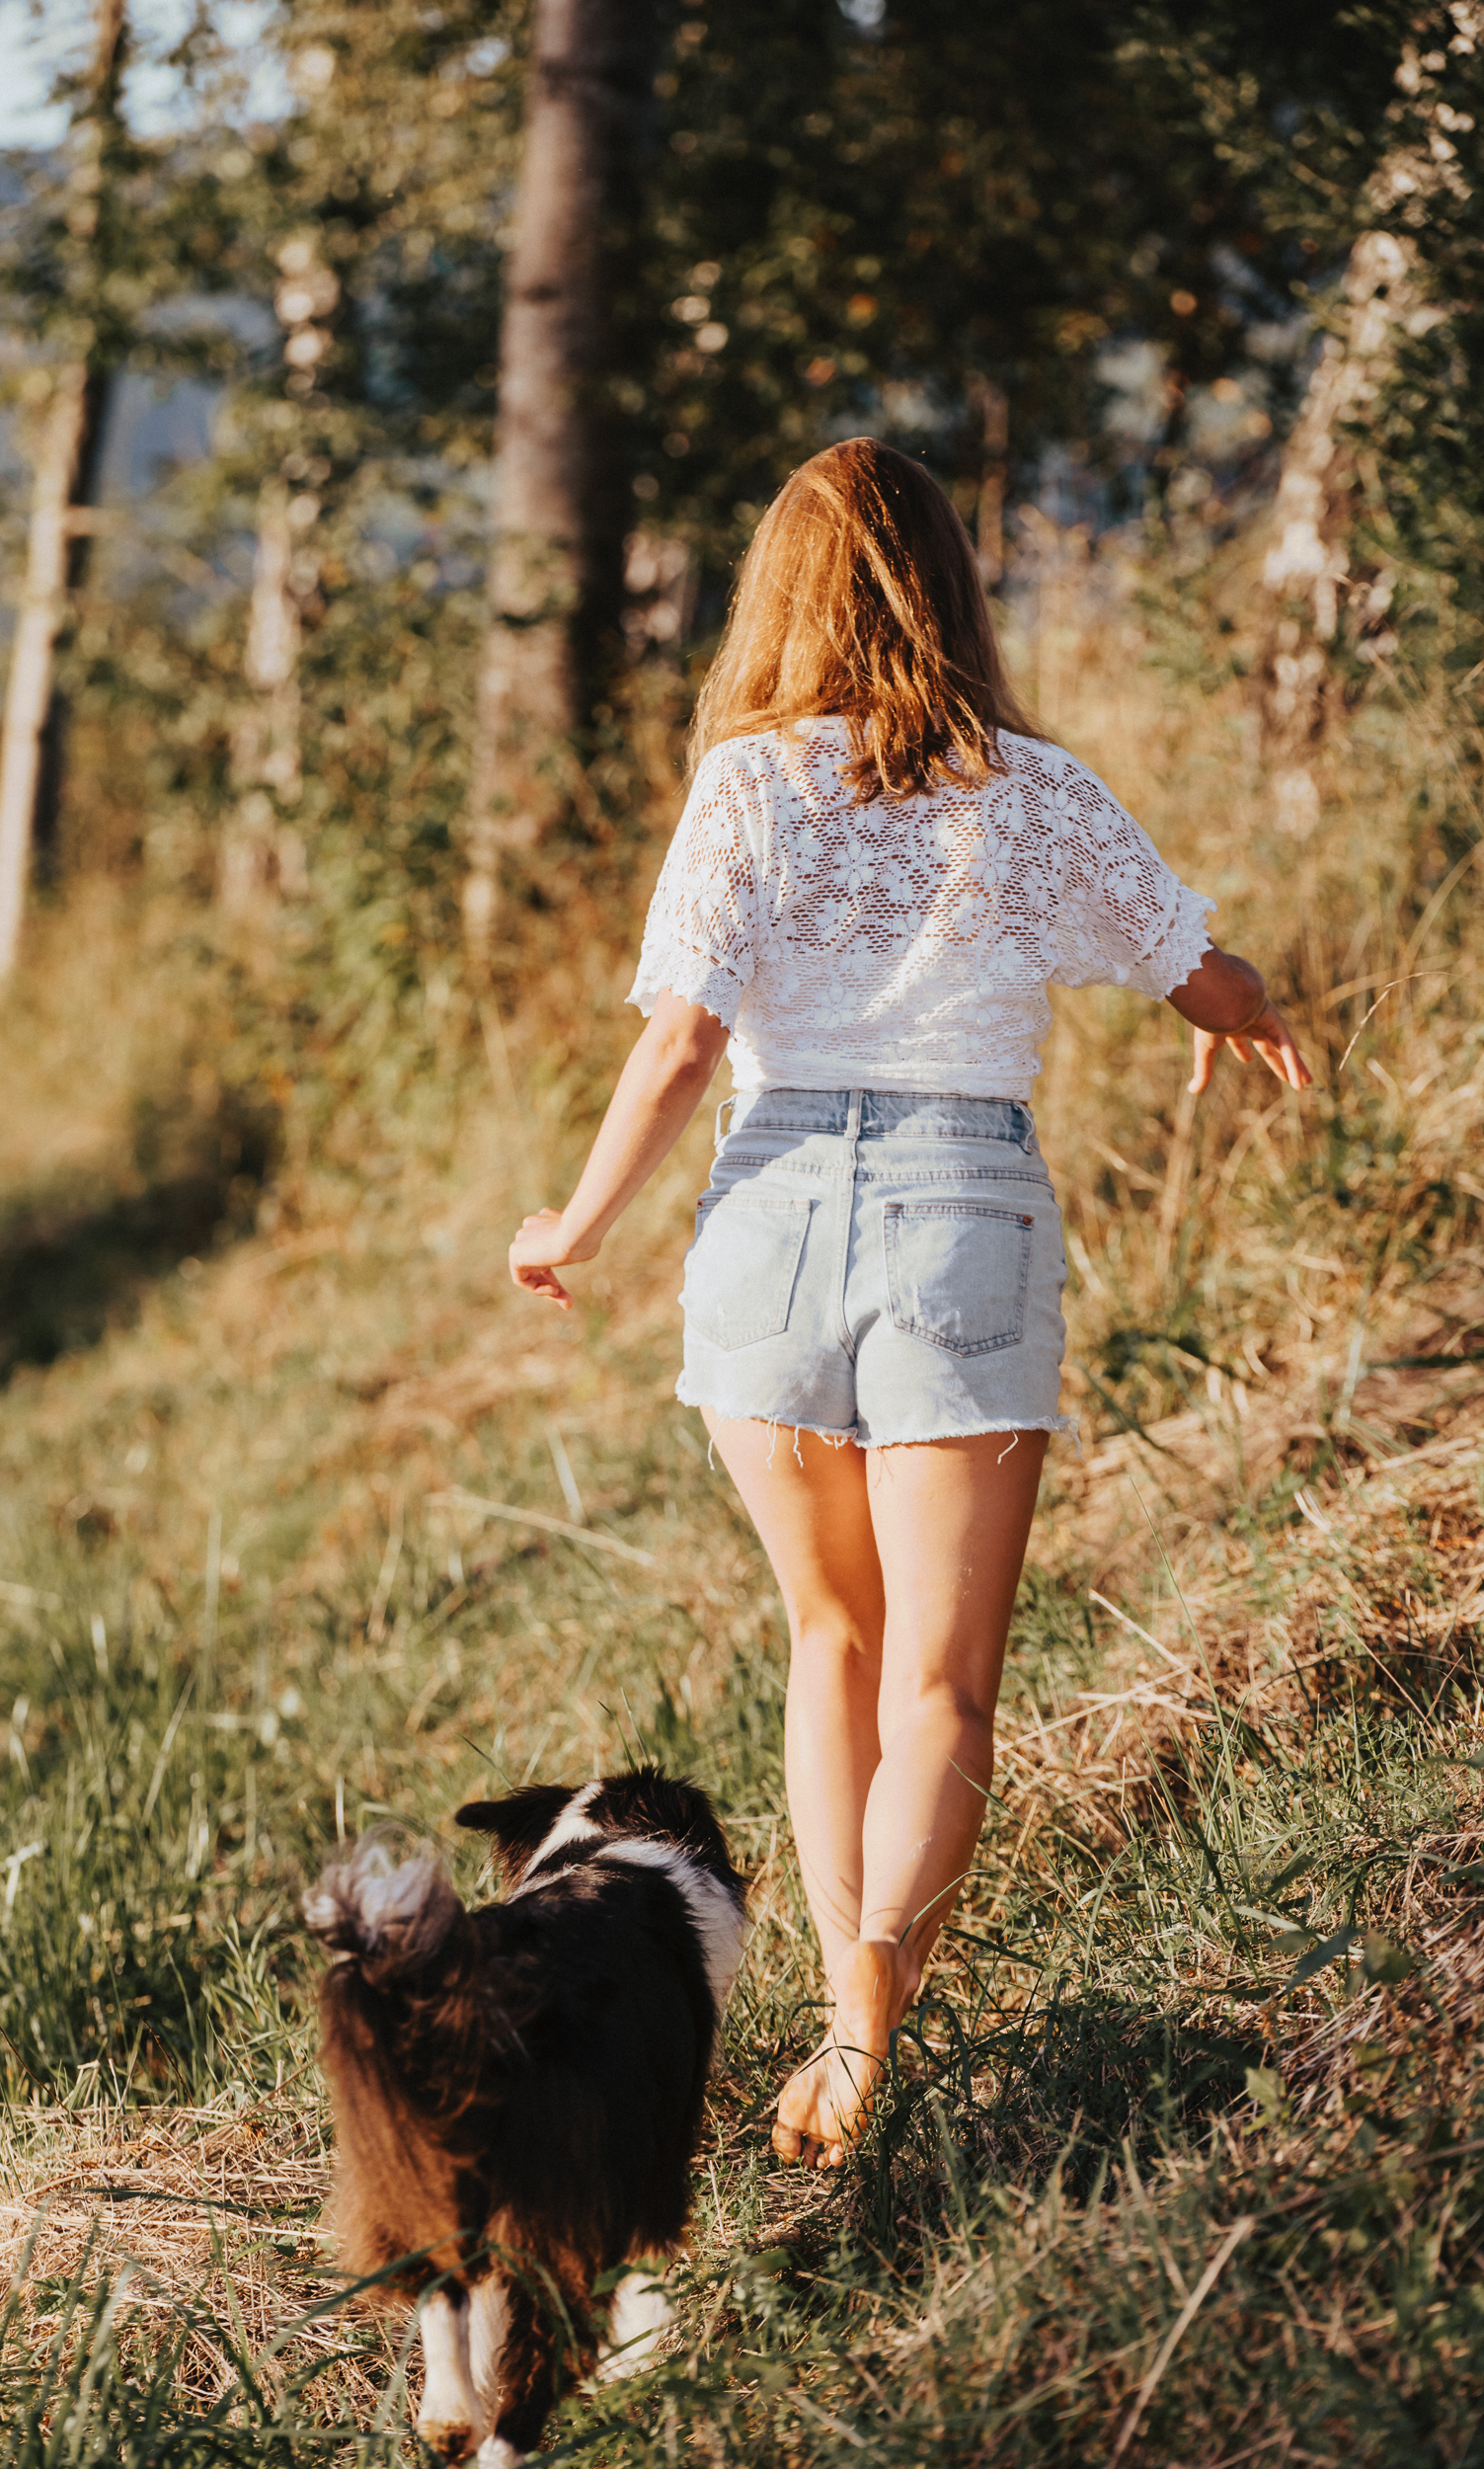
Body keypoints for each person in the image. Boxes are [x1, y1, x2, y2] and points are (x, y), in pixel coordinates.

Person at [507, 438, 1311, 2171]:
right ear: (951, 583)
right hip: (964, 1212)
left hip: (772, 1216)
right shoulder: (1033, 788)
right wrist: (1242, 1010)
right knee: (944, 1684)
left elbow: (681, 1044)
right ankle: (871, 2022)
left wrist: (569, 1221)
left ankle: (836, 2020)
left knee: (834, 1642)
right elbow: (1193, 959)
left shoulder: (743, 784)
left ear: (780, 594)